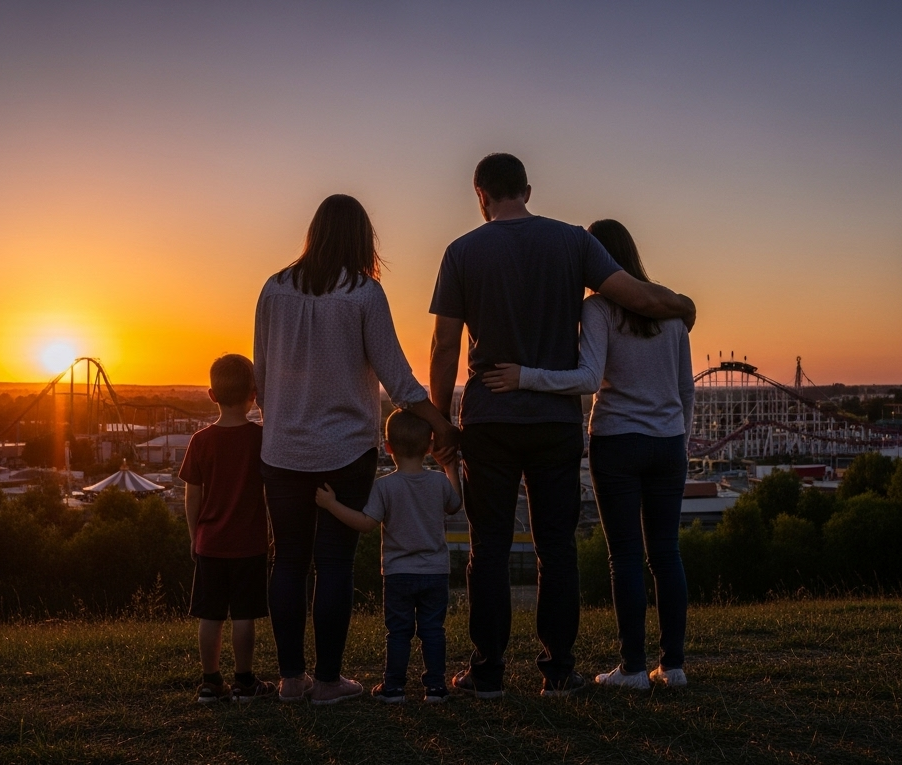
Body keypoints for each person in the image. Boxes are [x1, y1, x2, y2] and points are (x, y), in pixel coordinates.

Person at [429, 153, 696, 698]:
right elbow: (640, 299)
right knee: (557, 548)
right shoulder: (573, 242)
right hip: (554, 423)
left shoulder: (461, 252)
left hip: (489, 417)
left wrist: (440, 419)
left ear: (480, 195)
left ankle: (488, 673)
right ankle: (558, 671)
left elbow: (444, 346)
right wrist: (684, 305)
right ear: (528, 188)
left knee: (490, 548)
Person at [255, 194, 458, 706]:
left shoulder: (273, 289)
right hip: (346, 450)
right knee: (335, 563)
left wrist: (283, 418)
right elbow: (397, 377)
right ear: (362, 239)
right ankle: (327, 682)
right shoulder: (364, 294)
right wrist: (442, 425)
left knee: (288, 562)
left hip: (282, 450)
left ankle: (290, 680)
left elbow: (262, 374)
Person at [482, 219, 694, 689]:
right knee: (666, 553)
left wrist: (525, 377)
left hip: (617, 441)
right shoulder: (672, 310)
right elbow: (685, 390)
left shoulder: (597, 309)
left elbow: (584, 378)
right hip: (667, 444)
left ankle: (635, 668)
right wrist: (680, 439)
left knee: (625, 556)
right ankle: (673, 665)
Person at [314, 409, 463, 704]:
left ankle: (393, 687)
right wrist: (450, 468)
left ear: (388, 447)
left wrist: (331, 505)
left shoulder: (384, 486)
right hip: (435, 571)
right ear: (429, 446)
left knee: (398, 632)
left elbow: (366, 523)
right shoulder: (437, 483)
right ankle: (436, 688)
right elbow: (455, 504)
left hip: (398, 573)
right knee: (433, 630)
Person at [179, 353, 277, 704]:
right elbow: (271, 492)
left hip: (210, 543)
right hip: (249, 544)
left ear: (211, 395)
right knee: (244, 614)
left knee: (211, 614)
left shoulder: (200, 441)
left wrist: (195, 536)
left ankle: (210, 682)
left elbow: (192, 497)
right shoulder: (262, 439)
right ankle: (245, 682)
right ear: (255, 393)